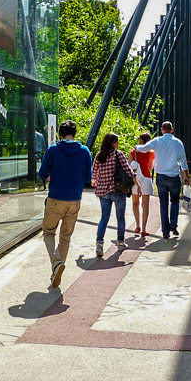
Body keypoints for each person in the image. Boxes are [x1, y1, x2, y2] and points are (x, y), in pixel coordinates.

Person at [38, 120, 92, 288]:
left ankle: (56, 263)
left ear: (60, 134)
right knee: (65, 237)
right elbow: (88, 179)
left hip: (55, 198)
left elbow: (42, 173)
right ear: (74, 133)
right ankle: (56, 271)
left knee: (48, 232)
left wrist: (51, 174)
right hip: (75, 199)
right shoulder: (84, 151)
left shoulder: (53, 150)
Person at [135, 121, 189, 239]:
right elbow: (183, 160)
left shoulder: (157, 140)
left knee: (163, 204)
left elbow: (144, 149)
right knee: (175, 201)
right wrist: (186, 176)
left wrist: (136, 147)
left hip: (161, 177)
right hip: (174, 176)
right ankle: (173, 225)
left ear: (161, 130)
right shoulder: (178, 143)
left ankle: (165, 231)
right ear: (172, 130)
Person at [92, 132, 137, 257]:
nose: (118, 144)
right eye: (116, 141)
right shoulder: (118, 154)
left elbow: (94, 172)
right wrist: (137, 184)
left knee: (104, 218)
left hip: (102, 192)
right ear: (112, 143)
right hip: (117, 191)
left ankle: (99, 244)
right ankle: (121, 242)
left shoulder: (99, 156)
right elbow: (128, 170)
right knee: (120, 218)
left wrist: (95, 180)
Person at [129, 133, 156, 237]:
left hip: (135, 179)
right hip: (146, 179)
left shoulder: (134, 151)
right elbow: (151, 167)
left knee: (135, 203)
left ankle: (137, 225)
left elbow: (128, 165)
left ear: (141, 140)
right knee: (145, 205)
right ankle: (144, 229)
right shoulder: (152, 152)